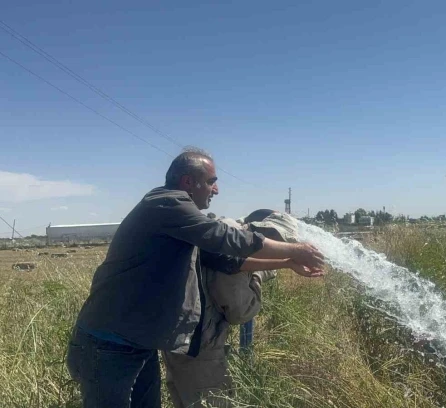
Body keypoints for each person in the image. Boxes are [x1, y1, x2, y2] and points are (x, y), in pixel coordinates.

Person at [65, 148, 325, 408]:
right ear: (189, 182)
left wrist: (288, 263)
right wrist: (294, 249)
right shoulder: (166, 203)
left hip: (139, 343)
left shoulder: (179, 221)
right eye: (212, 181)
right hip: (109, 346)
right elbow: (227, 238)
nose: (216, 190)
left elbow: (223, 259)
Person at [162, 209, 300, 408]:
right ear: (271, 235)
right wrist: (259, 275)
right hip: (201, 347)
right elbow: (238, 311)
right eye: (282, 243)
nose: (281, 249)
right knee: (214, 402)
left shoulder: (224, 233)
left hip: (177, 337)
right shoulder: (237, 247)